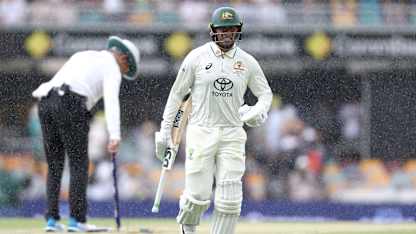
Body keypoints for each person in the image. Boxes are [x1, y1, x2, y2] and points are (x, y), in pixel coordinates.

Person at [155, 6, 272, 234]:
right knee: (197, 197)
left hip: (232, 133)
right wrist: (164, 131)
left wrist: (258, 110)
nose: (227, 34)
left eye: (231, 29)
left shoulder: (247, 62)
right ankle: (187, 230)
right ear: (213, 31)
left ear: (238, 31)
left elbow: (265, 94)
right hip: (201, 131)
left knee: (230, 200)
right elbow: (177, 95)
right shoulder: (197, 57)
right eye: (222, 29)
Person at [32, 36, 140, 232]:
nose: (123, 74)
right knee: (79, 164)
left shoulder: (83, 55)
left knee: (55, 165)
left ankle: (52, 221)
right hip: (71, 103)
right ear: (124, 58)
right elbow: (111, 101)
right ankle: (77, 221)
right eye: (126, 70)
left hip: (45, 103)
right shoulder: (112, 66)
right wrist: (115, 135)